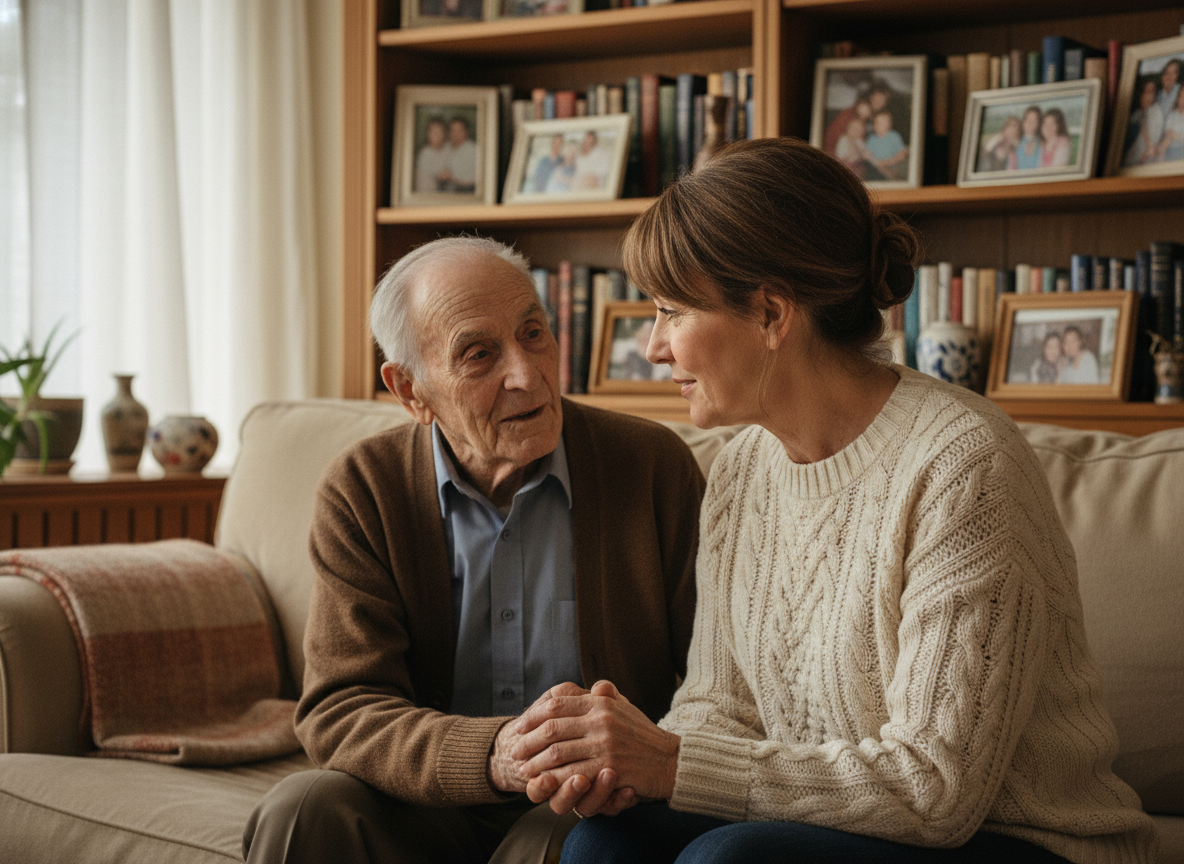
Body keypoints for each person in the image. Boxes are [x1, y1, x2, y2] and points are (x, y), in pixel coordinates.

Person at [506, 138, 1158, 864]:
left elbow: (936, 788)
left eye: (671, 312)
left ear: (771, 314)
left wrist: (674, 764)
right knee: (604, 843)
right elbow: (720, 704)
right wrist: (629, 771)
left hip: (1021, 839)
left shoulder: (963, 464)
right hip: (829, 826)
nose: (653, 346)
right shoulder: (742, 467)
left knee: (731, 861)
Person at [240, 236, 706, 864]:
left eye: (534, 333)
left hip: (588, 805)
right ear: (410, 391)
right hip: (427, 802)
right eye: (480, 354)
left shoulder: (652, 468)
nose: (525, 372)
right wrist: (495, 755)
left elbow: (717, 682)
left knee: (565, 844)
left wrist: (627, 758)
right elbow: (341, 709)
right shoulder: (365, 489)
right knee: (303, 810)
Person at [1123, 78, 1166, 166]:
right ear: (1141, 95)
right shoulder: (1135, 115)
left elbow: (1154, 142)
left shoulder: (1156, 111)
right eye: (1146, 92)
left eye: (1152, 92)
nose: (1149, 96)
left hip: (1146, 159)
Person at [864, 109, 908, 180]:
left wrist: (891, 161)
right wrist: (876, 162)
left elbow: (902, 153)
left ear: (890, 124)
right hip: (878, 165)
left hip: (893, 163)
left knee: (902, 167)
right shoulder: (871, 139)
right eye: (878, 122)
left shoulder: (894, 136)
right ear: (874, 126)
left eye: (885, 122)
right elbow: (868, 155)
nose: (881, 125)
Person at [415, 116, 452, 193]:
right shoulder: (425, 153)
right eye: (434, 132)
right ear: (428, 135)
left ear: (445, 134)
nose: (437, 136)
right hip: (427, 193)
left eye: (440, 132)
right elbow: (443, 176)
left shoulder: (447, 148)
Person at [1156, 84, 1184, 163]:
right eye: (1180, 95)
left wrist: (1177, 136)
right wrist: (1171, 134)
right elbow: (1167, 131)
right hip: (1169, 147)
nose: (1182, 98)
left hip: (1181, 147)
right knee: (1166, 141)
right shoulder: (1172, 114)